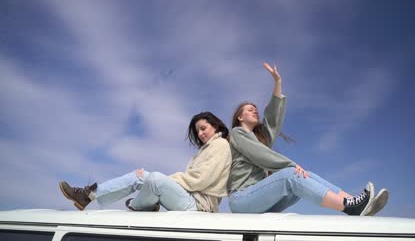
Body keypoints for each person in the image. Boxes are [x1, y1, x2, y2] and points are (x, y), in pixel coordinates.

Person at [228, 62, 389, 215]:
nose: (255, 111)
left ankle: (355, 203)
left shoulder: (260, 137)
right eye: (249, 110)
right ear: (240, 117)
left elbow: (272, 118)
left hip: (259, 199)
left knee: (306, 175)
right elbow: (259, 154)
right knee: (292, 174)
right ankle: (350, 207)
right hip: (242, 199)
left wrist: (278, 82)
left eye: (256, 109)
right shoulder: (237, 133)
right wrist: (291, 165)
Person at [59, 112, 232, 213]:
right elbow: (192, 180)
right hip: (189, 198)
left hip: (199, 207)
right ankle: (87, 196)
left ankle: (138, 205)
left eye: (203, 128)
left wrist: (164, 180)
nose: (200, 134)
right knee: (139, 176)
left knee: (155, 179)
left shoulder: (220, 145)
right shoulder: (206, 149)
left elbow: (200, 180)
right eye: (198, 131)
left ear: (215, 126)